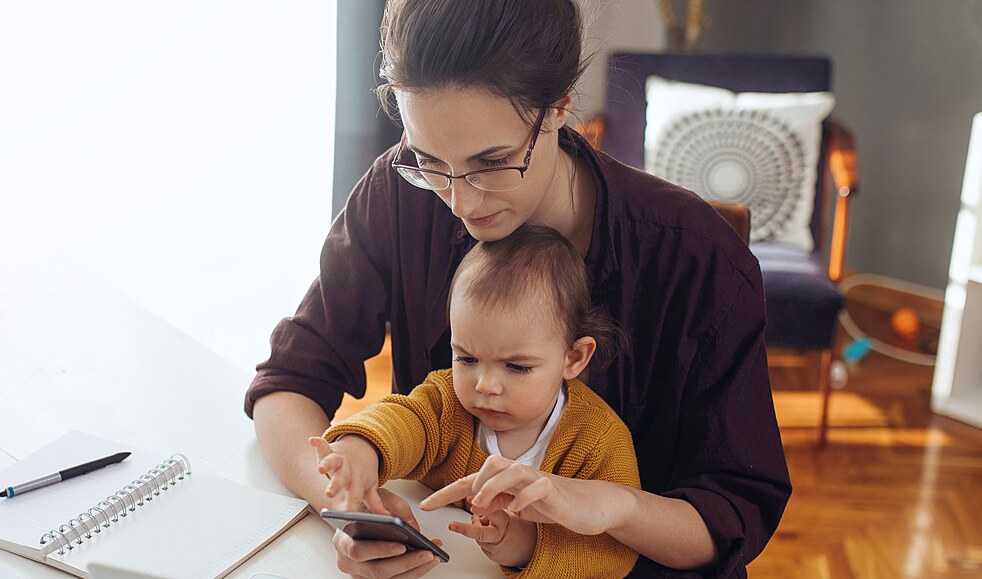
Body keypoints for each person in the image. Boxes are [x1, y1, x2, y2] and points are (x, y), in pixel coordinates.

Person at [244, 0, 791, 577]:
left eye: (493, 162)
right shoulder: (401, 193)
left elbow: (732, 519)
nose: (461, 201)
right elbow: (289, 382)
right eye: (429, 160)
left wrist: (616, 507)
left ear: (558, 106)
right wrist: (345, 503)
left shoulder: (694, 256)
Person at [311, 224, 640, 578]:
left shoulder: (599, 441)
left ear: (574, 358)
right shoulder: (448, 401)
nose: (484, 385)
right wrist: (361, 448)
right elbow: (403, 418)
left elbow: (616, 551)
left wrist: (523, 544)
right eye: (466, 359)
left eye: (516, 366)